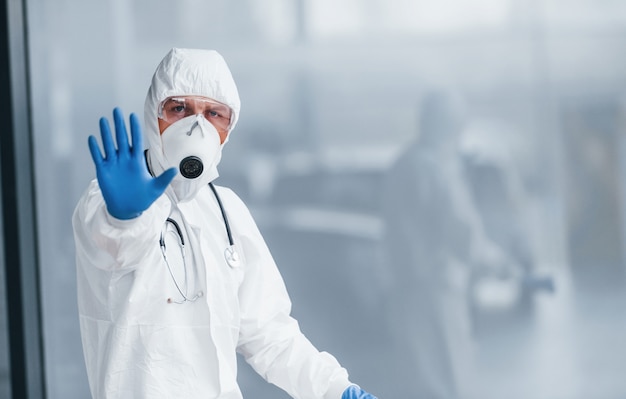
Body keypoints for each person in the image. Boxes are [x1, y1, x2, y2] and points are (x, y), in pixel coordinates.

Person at [72, 48, 377, 399]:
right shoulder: (106, 201)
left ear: (227, 128)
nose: (196, 126)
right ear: (154, 114)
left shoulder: (226, 210)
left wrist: (334, 388)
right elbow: (117, 248)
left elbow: (269, 335)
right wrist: (124, 218)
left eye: (213, 113)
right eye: (179, 109)